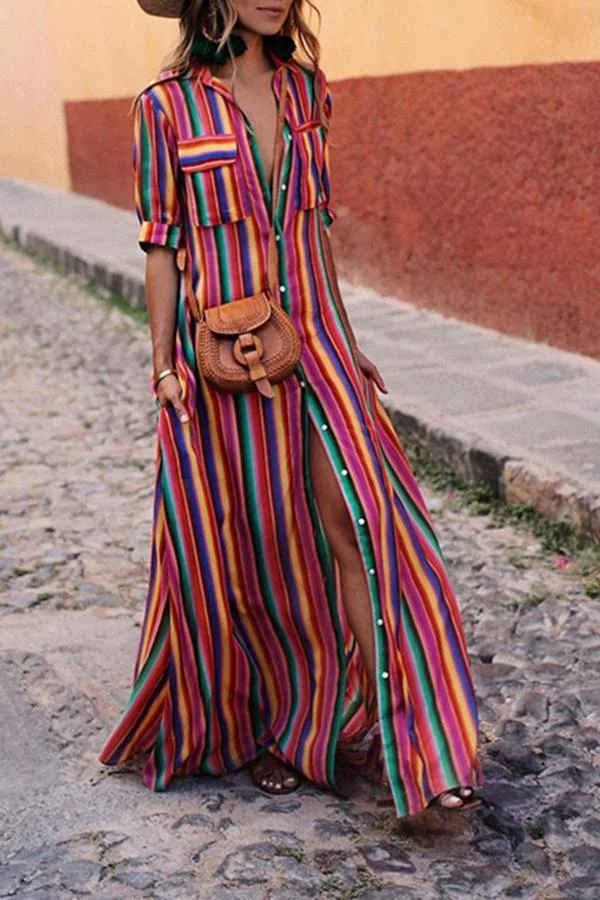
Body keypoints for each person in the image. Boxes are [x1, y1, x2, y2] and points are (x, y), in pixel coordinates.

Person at [98, 0, 484, 817]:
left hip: (319, 346)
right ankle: (292, 727)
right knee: (266, 551)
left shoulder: (307, 91)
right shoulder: (165, 107)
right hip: (226, 361)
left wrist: (348, 339)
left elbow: (315, 231)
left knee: (367, 525)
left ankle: (422, 744)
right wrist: (163, 365)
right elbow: (162, 244)